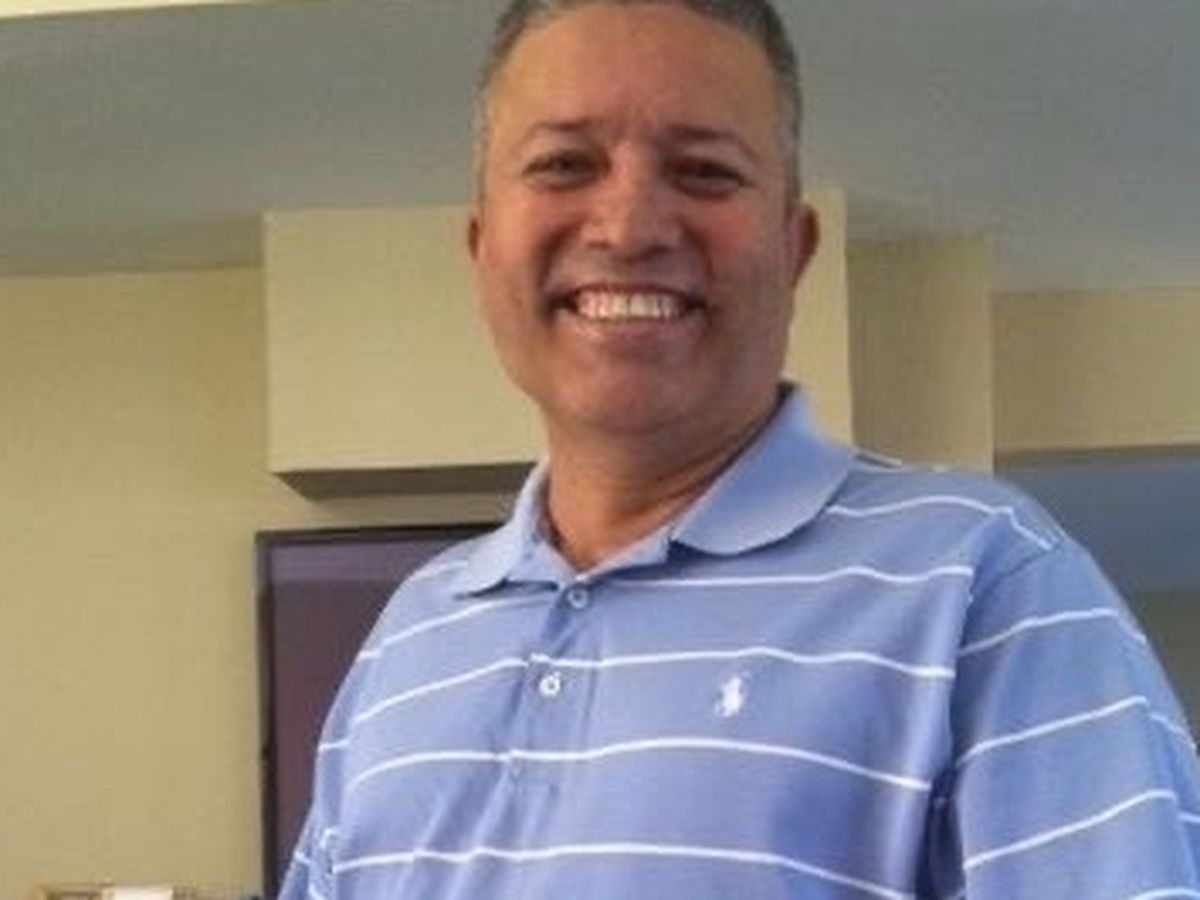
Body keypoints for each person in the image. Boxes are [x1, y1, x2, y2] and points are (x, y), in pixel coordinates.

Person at [280, 1, 1200, 897]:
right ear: (482, 249)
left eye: (705, 172)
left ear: (794, 250)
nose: (630, 227)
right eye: (564, 164)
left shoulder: (987, 581)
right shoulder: (411, 636)